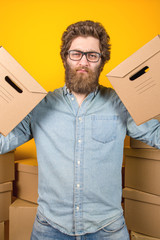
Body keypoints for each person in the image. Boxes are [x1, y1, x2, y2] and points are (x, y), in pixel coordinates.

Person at [0, 20, 160, 240]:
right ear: (65, 57)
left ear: (102, 61)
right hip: (49, 227)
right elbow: (3, 142)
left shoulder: (120, 103)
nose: (83, 61)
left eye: (92, 55)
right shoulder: (39, 106)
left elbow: (156, 135)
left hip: (107, 229)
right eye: (76, 53)